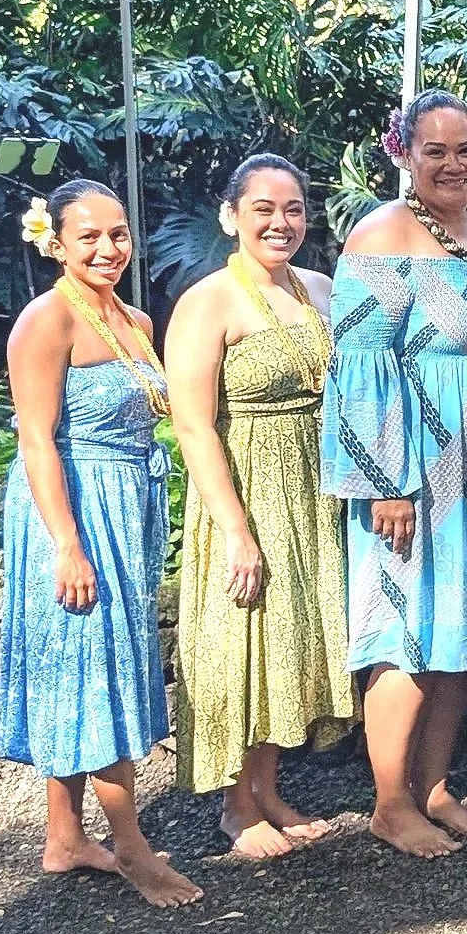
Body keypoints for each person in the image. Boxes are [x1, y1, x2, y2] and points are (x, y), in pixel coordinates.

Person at [323, 92, 467, 858]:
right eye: (436, 151)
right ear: (404, 154)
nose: (454, 164)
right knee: (406, 631)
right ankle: (388, 801)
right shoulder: (380, 235)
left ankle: (435, 786)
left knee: (463, 627)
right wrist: (383, 480)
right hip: (415, 465)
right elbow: (361, 366)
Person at [0, 179, 201, 908]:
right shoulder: (45, 320)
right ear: (54, 240)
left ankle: (65, 837)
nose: (109, 248)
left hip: (126, 507)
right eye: (89, 236)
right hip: (72, 507)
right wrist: (66, 544)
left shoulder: (134, 318)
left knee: (90, 665)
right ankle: (133, 847)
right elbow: (35, 440)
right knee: (96, 667)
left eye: (118, 234)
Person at [167, 153, 353, 859]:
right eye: (264, 210)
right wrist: (236, 530)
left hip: (312, 486)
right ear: (231, 216)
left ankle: (269, 788)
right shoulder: (208, 301)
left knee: (293, 641)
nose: (282, 222)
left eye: (294, 209)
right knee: (245, 640)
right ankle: (236, 808)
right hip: (246, 483)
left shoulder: (318, 288)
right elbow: (192, 423)